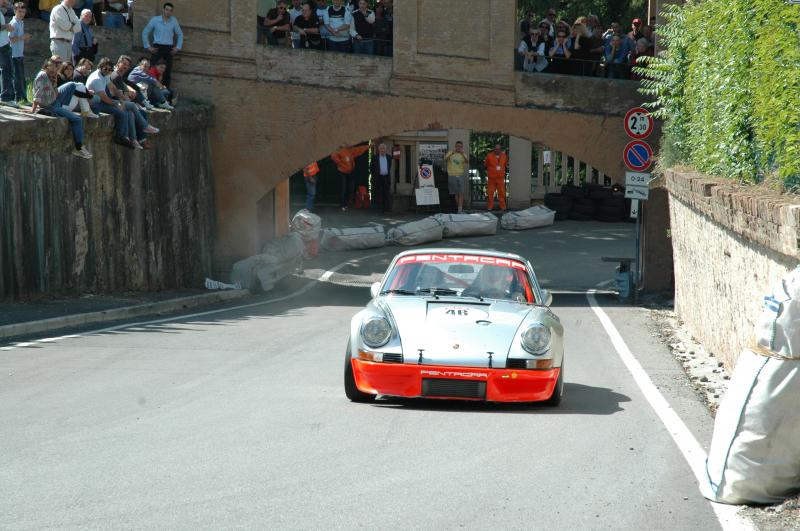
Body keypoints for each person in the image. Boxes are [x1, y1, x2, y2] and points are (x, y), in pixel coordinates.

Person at [27, 57, 92, 158]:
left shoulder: (52, 75)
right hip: (49, 105)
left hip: (55, 101)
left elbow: (56, 93)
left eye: (57, 65)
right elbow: (37, 94)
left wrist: (54, 82)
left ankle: (63, 109)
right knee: (77, 119)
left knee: (71, 85)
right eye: (53, 66)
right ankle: (78, 148)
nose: (55, 68)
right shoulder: (42, 76)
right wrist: (33, 109)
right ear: (46, 67)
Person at [86, 56, 134, 147]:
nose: (108, 71)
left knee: (127, 112)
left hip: (101, 101)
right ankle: (119, 137)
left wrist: (120, 99)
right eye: (106, 68)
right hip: (95, 104)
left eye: (110, 69)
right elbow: (104, 98)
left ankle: (126, 137)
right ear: (100, 66)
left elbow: (113, 88)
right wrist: (116, 104)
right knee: (122, 113)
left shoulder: (105, 74)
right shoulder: (97, 79)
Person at [141, 2, 182, 86]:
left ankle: (165, 94)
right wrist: (148, 47)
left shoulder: (173, 20)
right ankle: (150, 92)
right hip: (157, 48)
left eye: (170, 10)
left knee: (167, 72)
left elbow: (180, 34)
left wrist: (177, 47)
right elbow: (145, 32)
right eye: (167, 10)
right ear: (163, 10)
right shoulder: (155, 19)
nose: (168, 12)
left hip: (168, 49)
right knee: (152, 70)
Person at [331, 143, 369, 211]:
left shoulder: (351, 150)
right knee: (343, 188)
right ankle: (343, 205)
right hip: (342, 172)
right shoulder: (340, 150)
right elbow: (333, 156)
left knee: (350, 188)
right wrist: (340, 162)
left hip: (350, 172)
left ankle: (348, 203)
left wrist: (370, 145)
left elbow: (360, 149)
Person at [9, 1, 29, 105]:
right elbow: (9, 39)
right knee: (17, 78)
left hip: (19, 54)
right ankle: (18, 98)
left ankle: (22, 98)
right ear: (15, 11)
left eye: (23, 12)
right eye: (19, 11)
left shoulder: (21, 22)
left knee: (21, 77)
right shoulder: (14, 23)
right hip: (14, 54)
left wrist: (23, 39)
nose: (21, 14)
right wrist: (22, 37)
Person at [444, 140, 468, 213]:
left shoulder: (463, 154)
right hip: (452, 175)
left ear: (462, 147)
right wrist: (452, 153)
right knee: (455, 193)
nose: (459, 148)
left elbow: (467, 161)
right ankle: (458, 209)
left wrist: (463, 153)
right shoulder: (451, 153)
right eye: (457, 146)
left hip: (460, 175)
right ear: (455, 146)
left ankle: (460, 210)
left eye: (460, 147)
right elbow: (445, 159)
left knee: (461, 192)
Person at [483, 143, 507, 211]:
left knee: (502, 193)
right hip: (492, 178)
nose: (497, 150)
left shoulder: (504, 156)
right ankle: (490, 207)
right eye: (496, 149)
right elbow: (486, 165)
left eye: (499, 149)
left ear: (500, 149)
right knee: (490, 193)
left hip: (500, 178)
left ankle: (503, 207)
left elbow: (505, 164)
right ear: (494, 149)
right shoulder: (489, 156)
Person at [370, 143, 392, 212]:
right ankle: (378, 207)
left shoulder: (389, 157)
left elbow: (389, 166)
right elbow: (371, 167)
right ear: (379, 149)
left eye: (384, 149)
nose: (382, 150)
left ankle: (386, 208)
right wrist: (374, 175)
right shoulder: (375, 157)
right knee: (378, 193)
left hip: (386, 177)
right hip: (378, 177)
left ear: (386, 150)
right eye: (381, 149)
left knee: (386, 193)